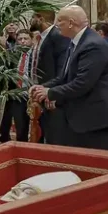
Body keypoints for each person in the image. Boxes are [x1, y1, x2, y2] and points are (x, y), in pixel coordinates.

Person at [30, 6, 108, 151]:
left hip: (101, 121)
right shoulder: (75, 42)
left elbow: (82, 83)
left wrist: (50, 93)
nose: (56, 25)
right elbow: (65, 76)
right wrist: (44, 87)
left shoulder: (92, 45)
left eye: (60, 21)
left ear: (71, 23)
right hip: (86, 119)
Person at [30, 14, 71, 144]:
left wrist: (51, 92)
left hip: (52, 95)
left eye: (32, 17)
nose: (30, 20)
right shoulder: (41, 37)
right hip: (42, 92)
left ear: (40, 19)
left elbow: (61, 70)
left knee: (54, 137)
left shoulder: (57, 36)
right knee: (43, 133)